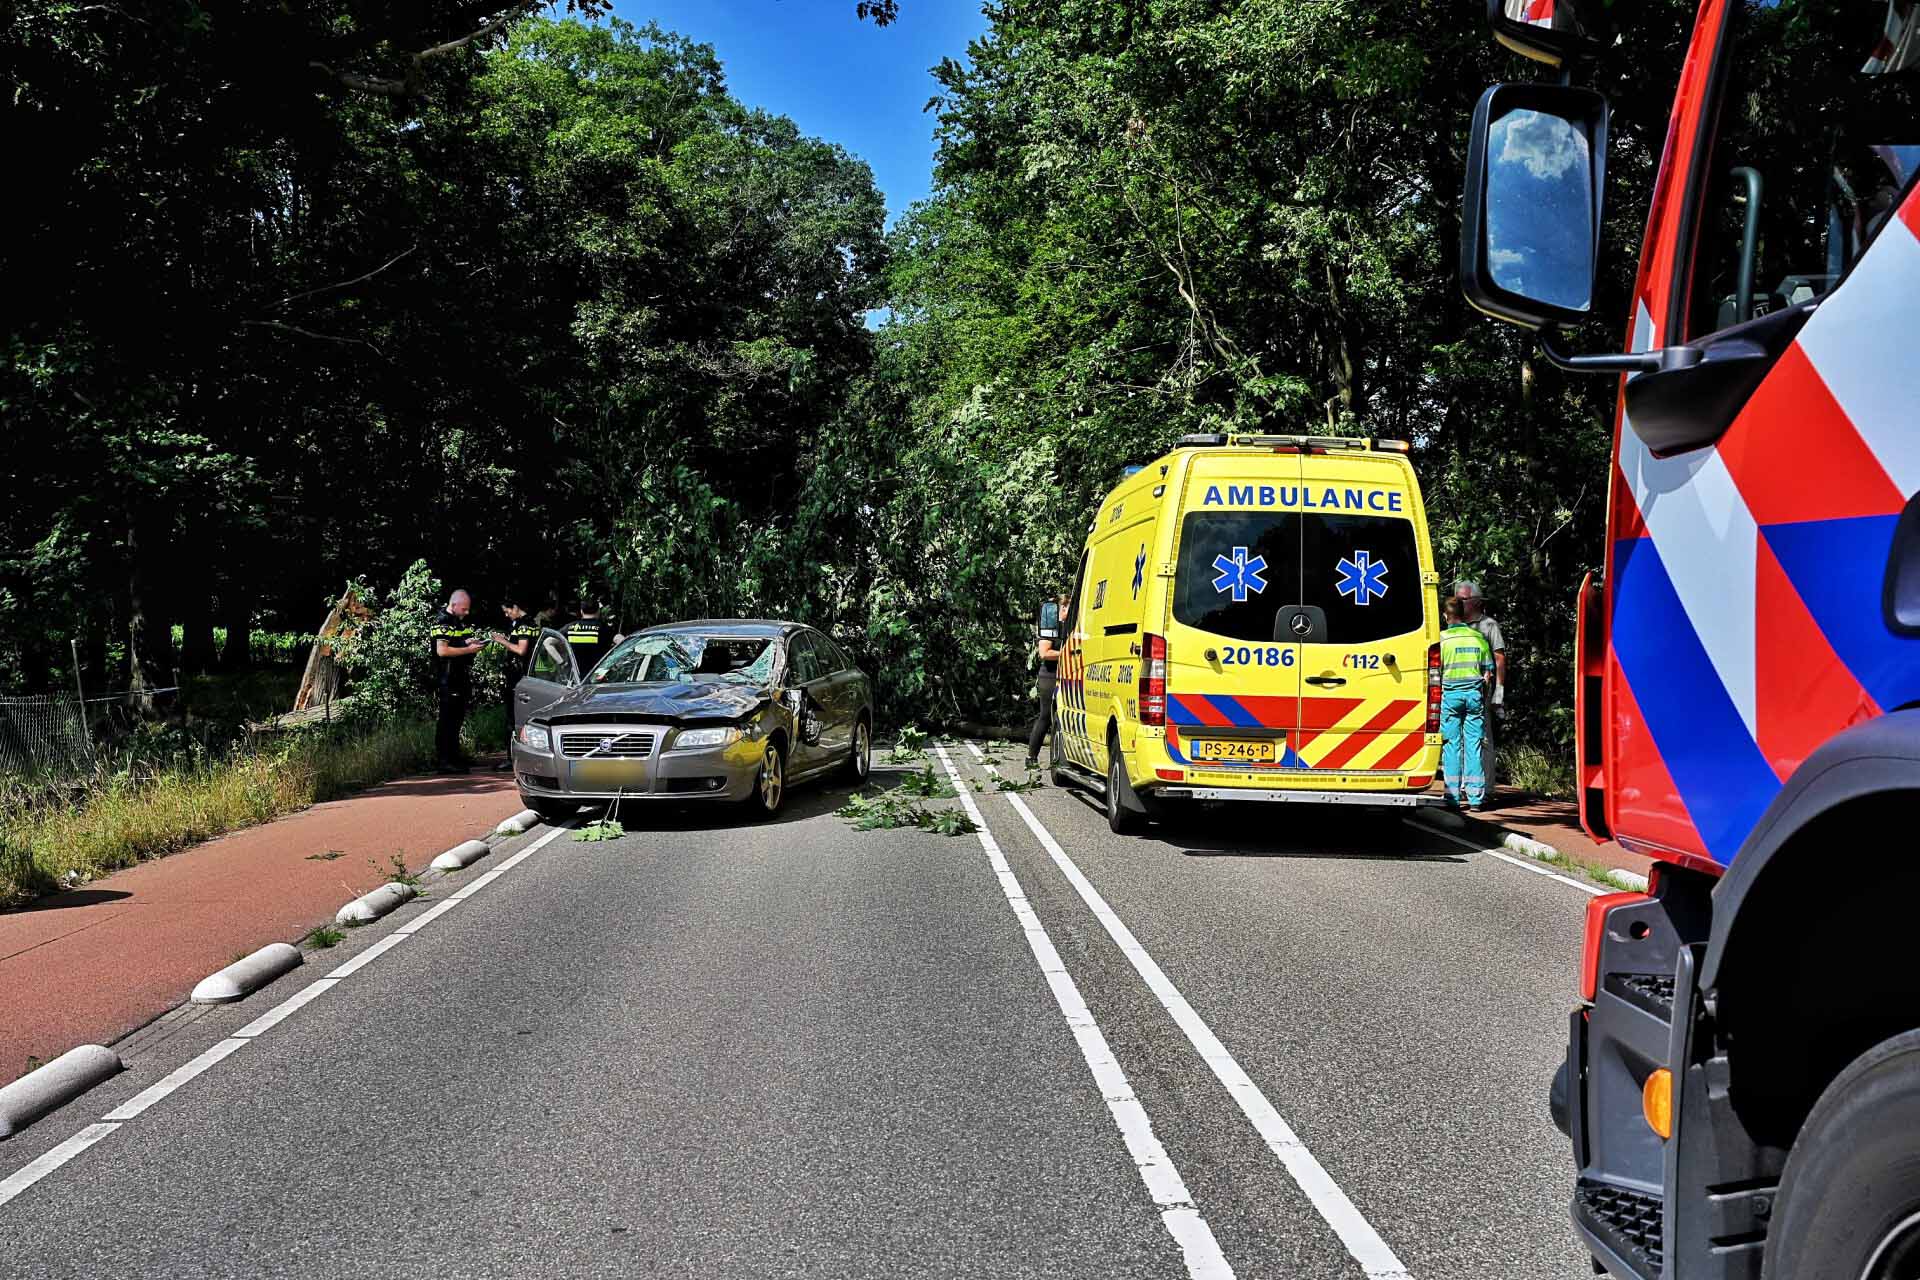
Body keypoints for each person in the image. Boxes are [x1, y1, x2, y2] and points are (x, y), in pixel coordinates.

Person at [1439, 595, 1496, 812]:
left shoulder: (1441, 640)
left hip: (1450, 697)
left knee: (1451, 746)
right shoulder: (1478, 638)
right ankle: (1475, 799)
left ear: (1446, 616)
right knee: (1473, 746)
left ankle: (1452, 797)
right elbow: (1488, 673)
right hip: (1473, 696)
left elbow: (1433, 672)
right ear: (1463, 615)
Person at [1454, 579, 1507, 801]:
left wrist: (1499, 691)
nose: (1459, 603)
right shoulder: (1454, 625)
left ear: (1476, 601)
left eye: (1463, 599)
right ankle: (1463, 786)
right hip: (1455, 689)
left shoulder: (1488, 625)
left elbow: (1499, 658)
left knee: (1482, 738)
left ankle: (1486, 788)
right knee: (1458, 738)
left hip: (1480, 690)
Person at [430, 589, 487, 773]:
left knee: (457, 719)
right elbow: (442, 650)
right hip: (448, 678)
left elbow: (456, 642)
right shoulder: (443, 621)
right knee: (448, 719)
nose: (467, 612)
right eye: (464, 609)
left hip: (459, 677)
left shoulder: (456, 621)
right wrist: (469, 650)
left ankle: (454, 757)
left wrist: (469, 642)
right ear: (453, 605)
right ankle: (444, 761)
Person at [489, 595, 542, 770]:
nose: (506, 615)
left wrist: (502, 641)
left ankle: (512, 758)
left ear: (515, 607)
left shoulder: (524, 625)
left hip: (518, 678)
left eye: (507, 611)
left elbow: (521, 649)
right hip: (527, 677)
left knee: (513, 719)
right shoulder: (530, 623)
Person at [1025, 593, 1068, 771]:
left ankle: (1061, 759)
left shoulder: (1068, 627)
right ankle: (1031, 757)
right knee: (1046, 716)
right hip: (1049, 676)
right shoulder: (1051, 627)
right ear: (1061, 608)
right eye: (1067, 607)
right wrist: (1067, 653)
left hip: (1066, 675)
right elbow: (1044, 653)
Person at [563, 597, 621, 675]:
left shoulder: (569, 627)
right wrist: (616, 661)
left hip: (575, 677)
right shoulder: (603, 628)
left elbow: (548, 642)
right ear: (598, 611)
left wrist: (562, 663)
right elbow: (620, 640)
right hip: (597, 676)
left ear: (581, 611)